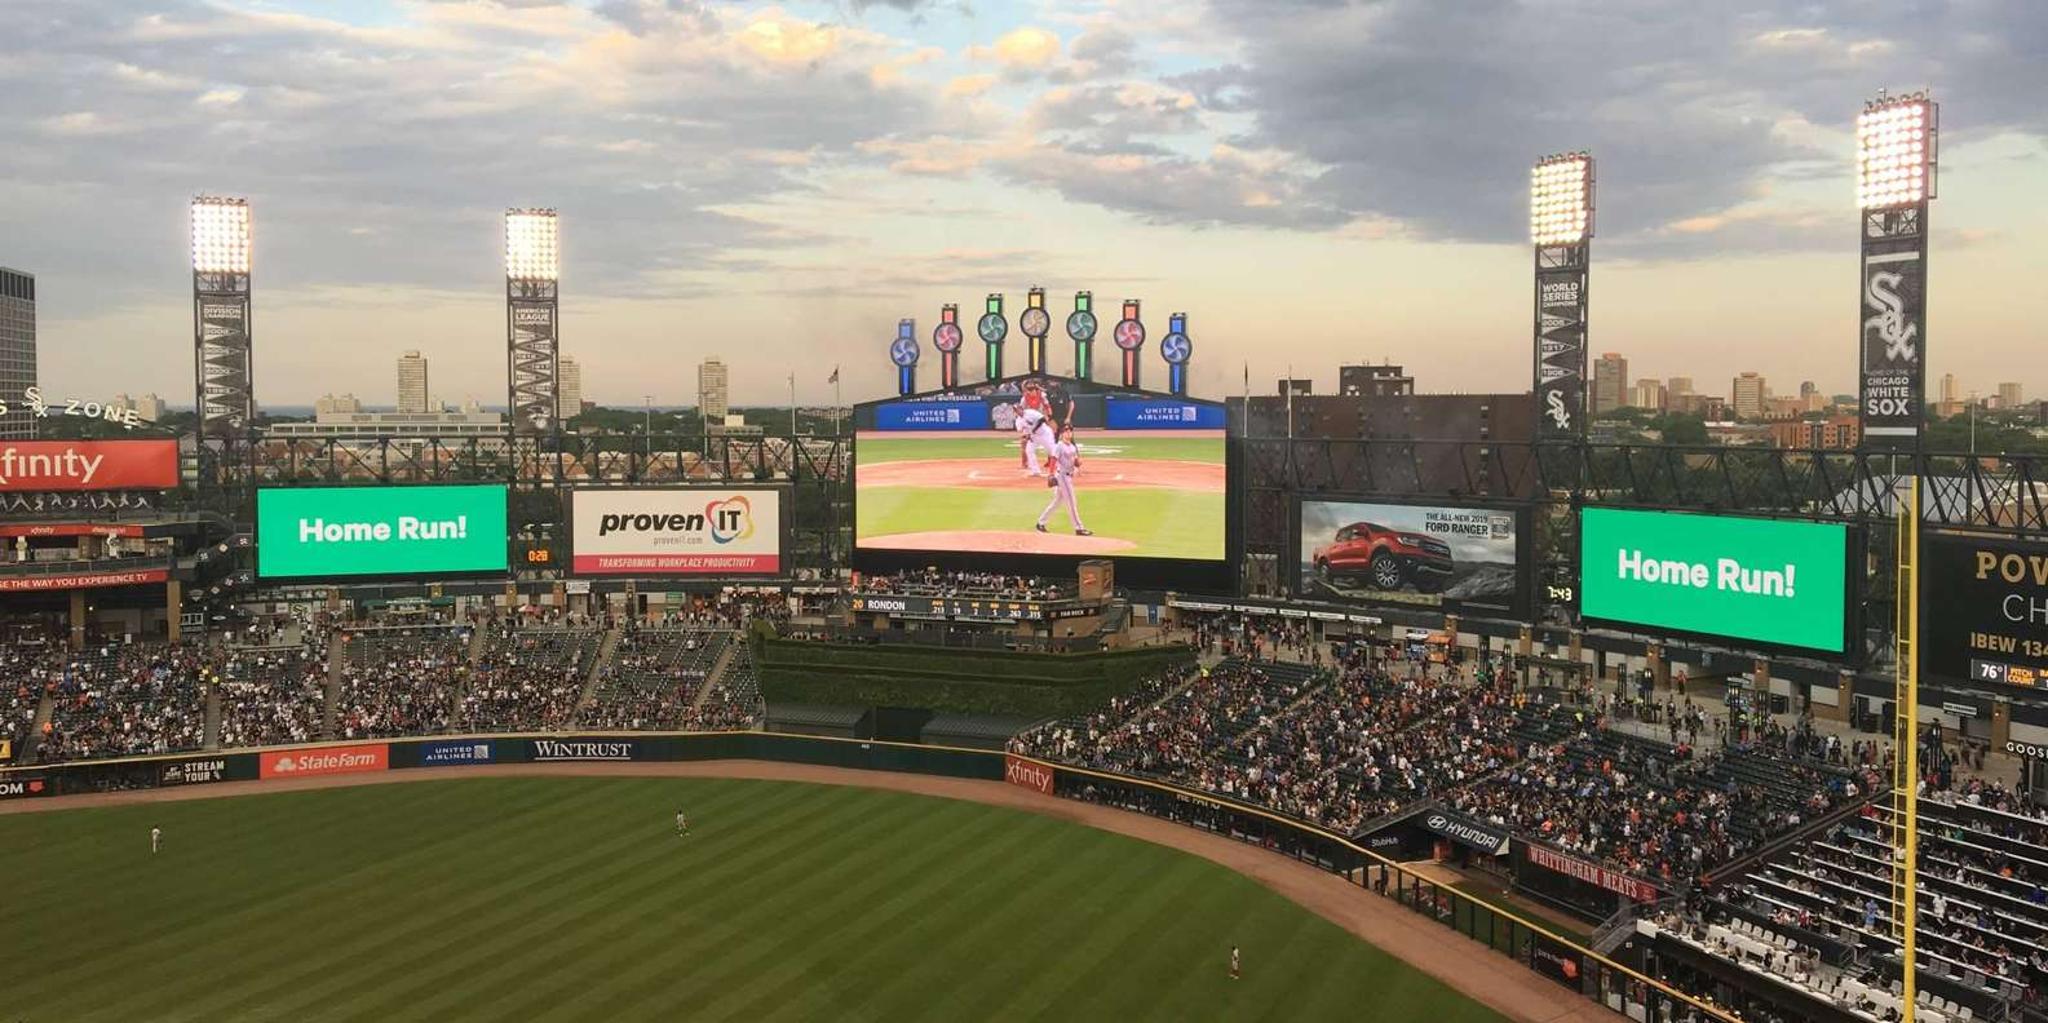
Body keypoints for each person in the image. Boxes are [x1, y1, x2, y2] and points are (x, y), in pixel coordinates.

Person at [1034, 424, 1091, 536]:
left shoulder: (1072, 447)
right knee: (1071, 502)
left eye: (1070, 431)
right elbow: (1053, 460)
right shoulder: (1059, 446)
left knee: (1057, 502)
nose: (1068, 433)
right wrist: (1050, 474)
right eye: (1066, 431)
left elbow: (1074, 461)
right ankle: (1079, 528)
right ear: (1061, 434)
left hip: (1068, 476)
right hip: (1062, 477)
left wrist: (1077, 464)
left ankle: (1041, 523)